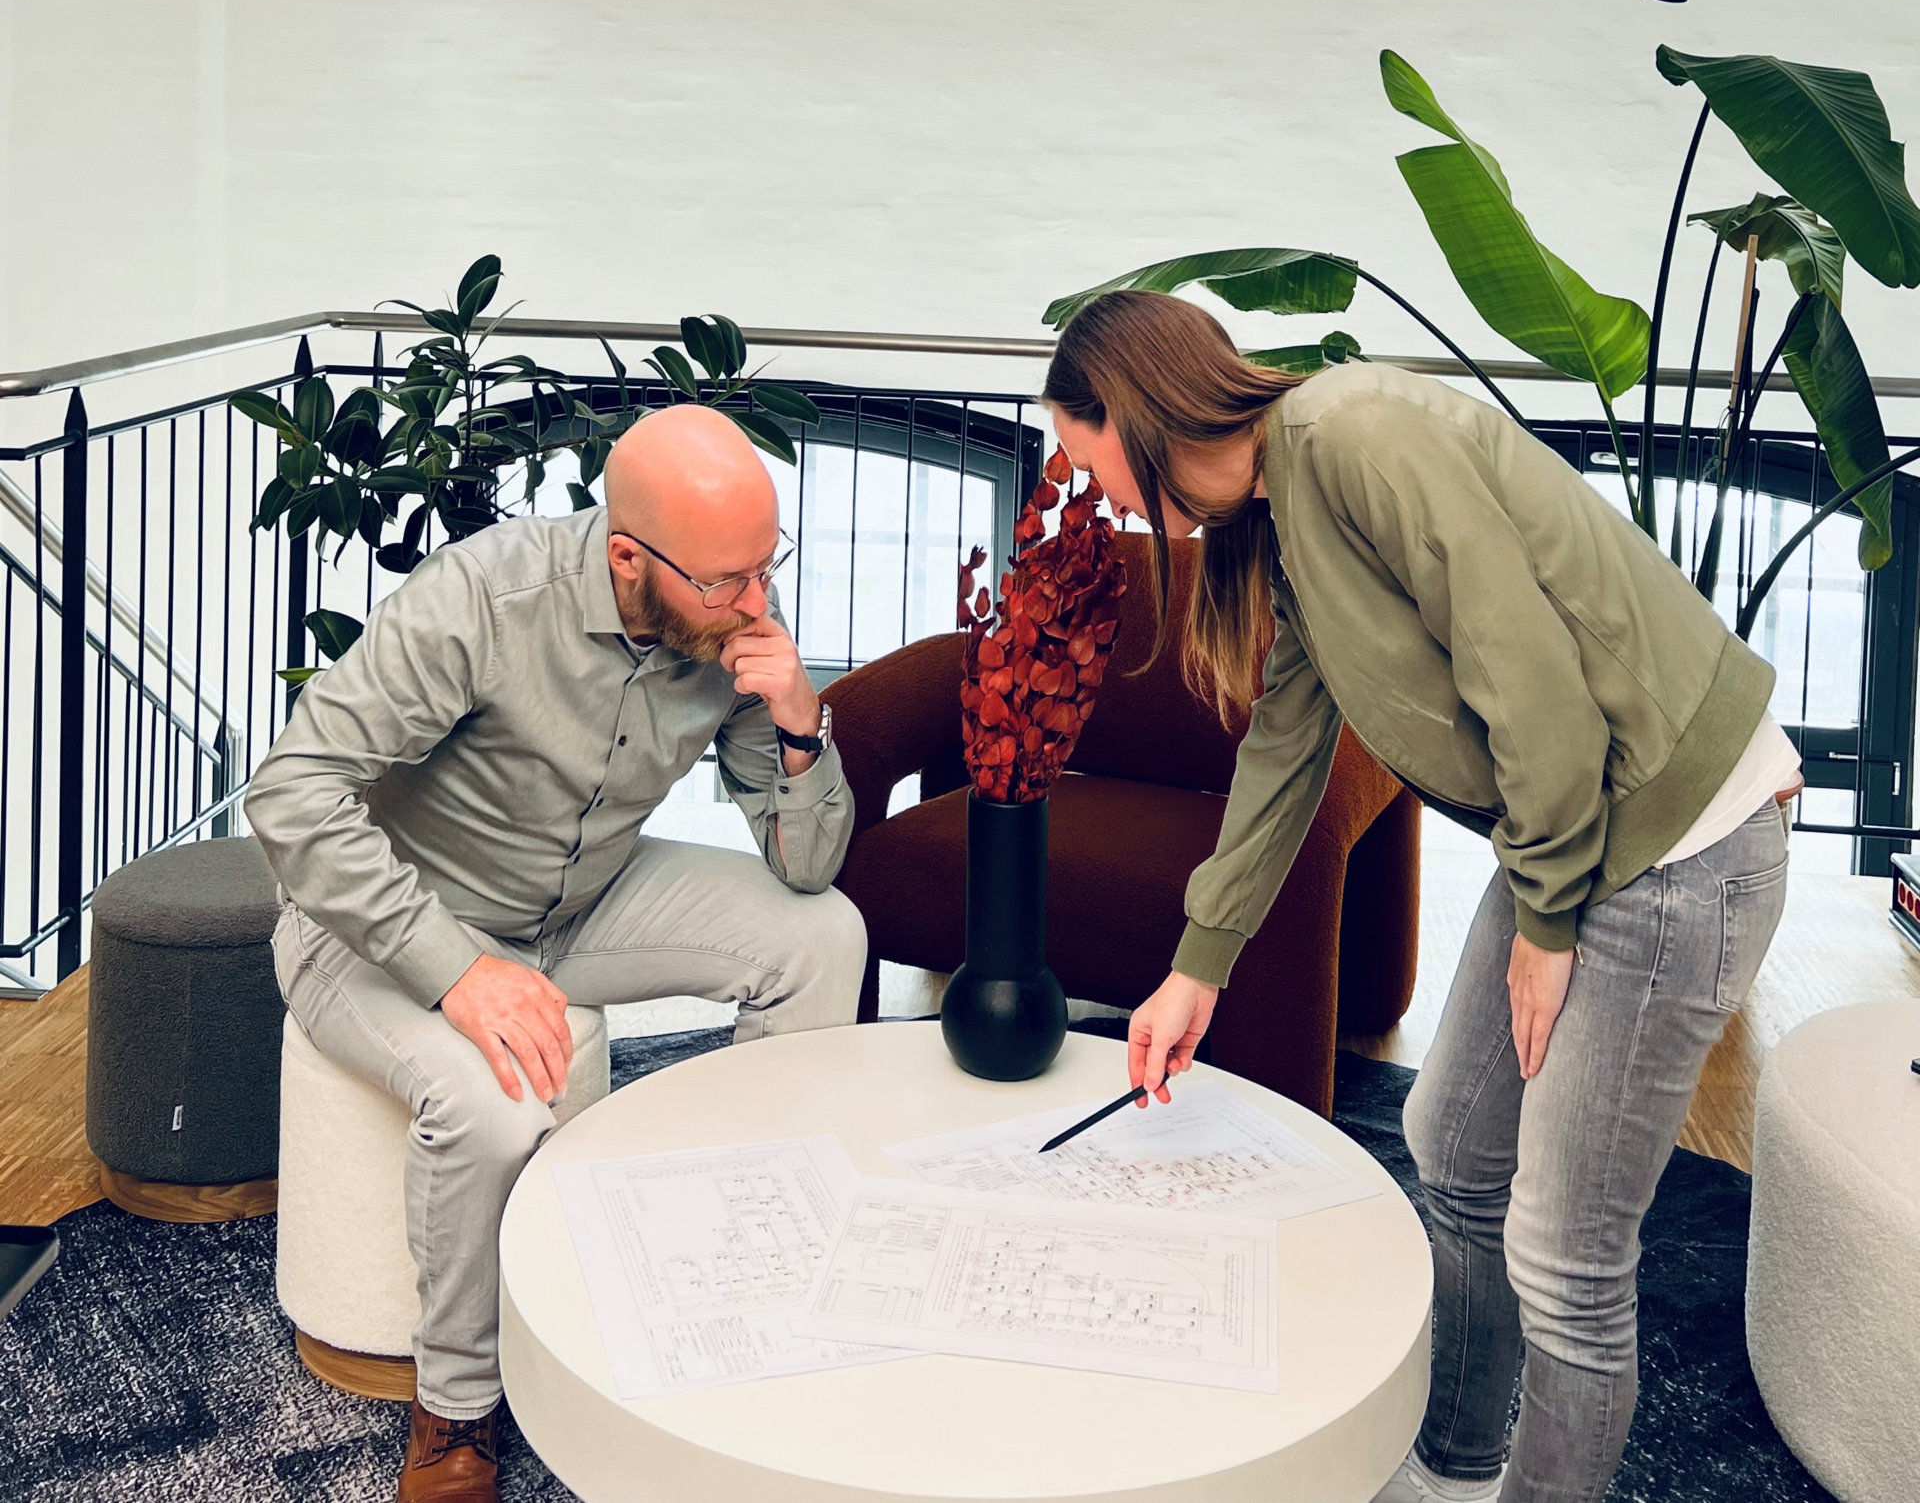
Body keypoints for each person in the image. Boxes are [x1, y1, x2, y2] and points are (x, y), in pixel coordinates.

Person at [1043, 291, 1798, 1503]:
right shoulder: (1278, 512)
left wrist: (1546, 920)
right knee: (1452, 1147)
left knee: (1566, 1259)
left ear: (1135, 413)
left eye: (1092, 465)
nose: (1105, 500)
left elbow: (1531, 680)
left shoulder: (1355, 434)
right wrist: (1198, 963)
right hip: (1581, 828)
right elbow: (1286, 743)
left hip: (1678, 836)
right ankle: (1454, 1468)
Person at [247, 404, 865, 1503]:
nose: (755, 601)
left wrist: (801, 722)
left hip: (579, 903)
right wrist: (457, 970)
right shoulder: (482, 599)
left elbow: (806, 867)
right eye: (727, 581)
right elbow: (291, 793)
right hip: (381, 925)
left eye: (767, 567)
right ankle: (455, 1408)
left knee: (825, 937)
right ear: (628, 558)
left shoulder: (729, 612)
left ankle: (744, 1271)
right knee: (493, 1107)